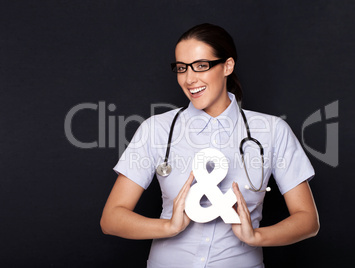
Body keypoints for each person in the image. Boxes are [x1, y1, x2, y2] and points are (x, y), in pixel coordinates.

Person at [100, 23, 319, 268]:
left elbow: (307, 220)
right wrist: (168, 226)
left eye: (201, 66)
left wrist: (256, 237)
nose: (189, 79)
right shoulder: (155, 129)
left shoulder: (272, 131)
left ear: (227, 66)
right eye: (182, 68)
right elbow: (111, 219)